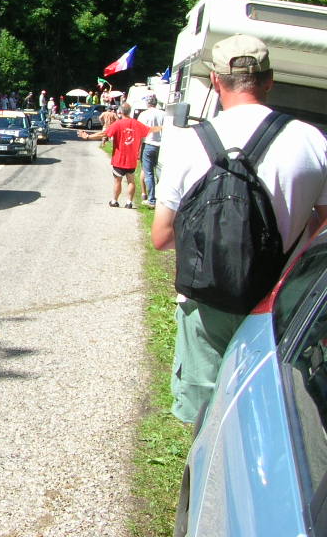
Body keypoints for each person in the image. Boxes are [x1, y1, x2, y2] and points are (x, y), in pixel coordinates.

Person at [152, 35, 327, 423]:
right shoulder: (311, 141)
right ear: (269, 80)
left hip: (206, 303)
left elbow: (161, 237)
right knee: (267, 412)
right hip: (279, 303)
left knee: (205, 415)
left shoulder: (189, 143)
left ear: (216, 80)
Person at [78, 102, 149, 208]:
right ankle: (129, 202)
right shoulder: (137, 124)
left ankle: (114, 201)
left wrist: (88, 136)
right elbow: (148, 131)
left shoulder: (117, 124)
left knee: (117, 181)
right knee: (131, 181)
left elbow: (104, 134)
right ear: (129, 112)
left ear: (120, 112)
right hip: (131, 159)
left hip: (119, 158)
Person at [136, 96, 164, 207]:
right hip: (161, 145)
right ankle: (161, 198)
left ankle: (152, 199)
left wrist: (138, 148)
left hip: (148, 144)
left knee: (148, 173)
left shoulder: (143, 115)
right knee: (160, 172)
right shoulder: (164, 114)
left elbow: (139, 132)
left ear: (147, 104)